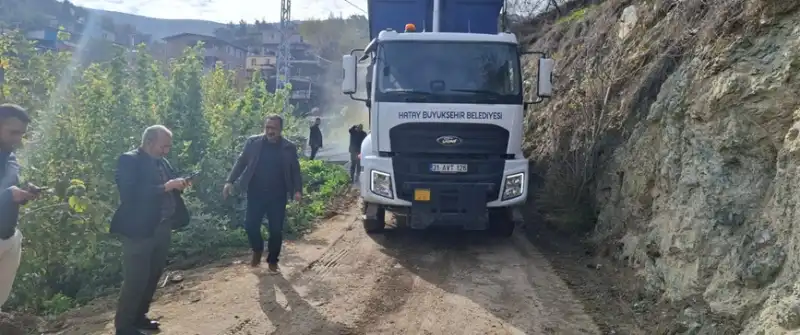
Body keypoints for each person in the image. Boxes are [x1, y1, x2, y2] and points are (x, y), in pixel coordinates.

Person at [110, 125, 191, 335]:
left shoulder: (161, 161)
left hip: (163, 227)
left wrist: (179, 184)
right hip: (139, 230)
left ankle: (139, 317)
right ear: (149, 142)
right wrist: (166, 187)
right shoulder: (129, 160)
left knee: (153, 275)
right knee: (136, 279)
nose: (166, 151)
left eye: (168, 147)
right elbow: (130, 193)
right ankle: (124, 327)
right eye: (163, 146)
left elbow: (167, 186)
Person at [222, 115, 302, 273]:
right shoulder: (253, 143)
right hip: (256, 193)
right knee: (250, 225)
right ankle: (257, 249)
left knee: (276, 230)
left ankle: (273, 261)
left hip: (278, 195)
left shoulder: (288, 147)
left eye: (274, 128)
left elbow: (295, 171)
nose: (270, 131)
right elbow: (241, 162)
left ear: (281, 129)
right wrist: (229, 181)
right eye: (267, 127)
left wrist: (298, 190)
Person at [0, 104, 39, 310]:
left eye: (21, 134)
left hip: (9, 238)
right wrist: (9, 195)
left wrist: (25, 193)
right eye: (13, 132)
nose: (17, 139)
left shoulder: (11, 157)